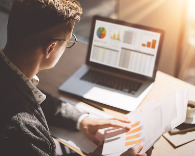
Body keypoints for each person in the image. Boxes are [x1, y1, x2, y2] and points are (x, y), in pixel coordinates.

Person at [0, 0, 150, 155]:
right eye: (69, 41)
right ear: (50, 48)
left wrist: (82, 120)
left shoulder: (11, 77)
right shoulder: (22, 131)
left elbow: (33, 98)